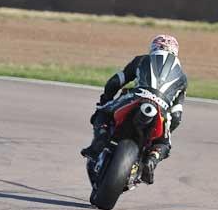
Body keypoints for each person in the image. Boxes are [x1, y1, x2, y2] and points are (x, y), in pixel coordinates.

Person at [80, 34, 188, 184]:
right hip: (161, 109)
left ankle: (100, 141)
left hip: (136, 97)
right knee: (164, 143)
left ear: (153, 47)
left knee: (103, 112)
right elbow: (176, 116)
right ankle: (151, 160)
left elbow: (114, 82)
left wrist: (105, 100)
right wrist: (165, 132)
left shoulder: (142, 60)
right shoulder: (182, 78)